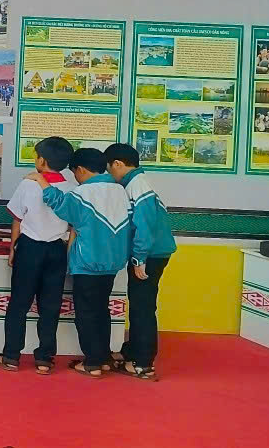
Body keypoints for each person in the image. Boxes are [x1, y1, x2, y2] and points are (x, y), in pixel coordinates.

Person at [29, 147, 132, 378]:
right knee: (101, 310)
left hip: (88, 262)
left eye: (74, 172)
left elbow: (60, 205)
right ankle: (103, 357)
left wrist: (41, 181)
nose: (74, 177)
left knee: (86, 313)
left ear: (81, 170)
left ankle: (92, 363)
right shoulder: (120, 190)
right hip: (113, 262)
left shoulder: (83, 193)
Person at [0, 136, 75, 375]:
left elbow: (17, 220)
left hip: (29, 248)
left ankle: (11, 356)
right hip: (57, 249)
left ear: (42, 161)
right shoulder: (72, 188)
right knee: (50, 306)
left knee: (19, 303)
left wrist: (13, 249)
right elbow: (73, 226)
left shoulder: (29, 184)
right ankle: (44, 359)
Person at [105, 143, 176, 380]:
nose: (109, 174)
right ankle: (131, 352)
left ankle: (143, 363)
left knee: (143, 307)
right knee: (137, 304)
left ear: (117, 164)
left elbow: (145, 226)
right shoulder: (136, 183)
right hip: (150, 253)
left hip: (150, 255)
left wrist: (139, 258)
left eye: (109, 169)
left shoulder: (138, 185)